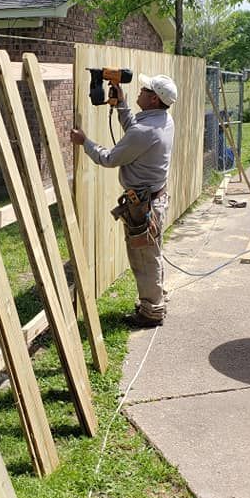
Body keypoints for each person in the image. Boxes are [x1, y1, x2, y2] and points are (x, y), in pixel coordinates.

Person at [71, 72, 176, 328]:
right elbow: (134, 131)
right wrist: (122, 105)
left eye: (144, 89)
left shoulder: (145, 131)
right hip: (154, 199)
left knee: (144, 258)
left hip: (143, 207)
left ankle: (151, 312)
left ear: (153, 99)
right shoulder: (163, 120)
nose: (138, 90)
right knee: (152, 254)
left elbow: (109, 159)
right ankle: (156, 300)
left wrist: (85, 142)